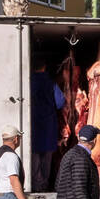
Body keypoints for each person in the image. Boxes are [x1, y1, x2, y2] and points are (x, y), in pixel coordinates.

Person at [30, 59, 66, 191]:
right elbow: (60, 102)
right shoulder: (51, 84)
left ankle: (35, 186)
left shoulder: (27, 82)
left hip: (32, 128)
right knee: (46, 161)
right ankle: (43, 186)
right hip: (48, 128)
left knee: (34, 161)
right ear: (44, 67)